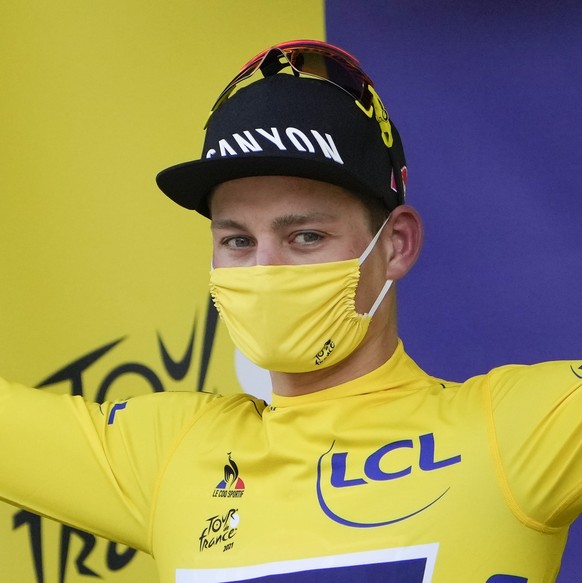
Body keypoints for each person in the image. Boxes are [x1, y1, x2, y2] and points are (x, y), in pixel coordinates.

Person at [1, 40, 581, 583]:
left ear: (396, 245)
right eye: (236, 241)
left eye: (305, 236)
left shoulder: (517, 430)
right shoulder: (166, 454)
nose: (264, 269)